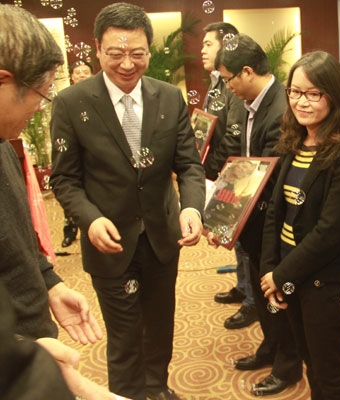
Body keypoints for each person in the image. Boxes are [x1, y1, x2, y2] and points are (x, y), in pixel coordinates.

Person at [50, 3, 206, 400]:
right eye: (115, 53)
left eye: (137, 53)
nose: (126, 64)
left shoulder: (170, 98)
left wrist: (190, 206)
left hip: (161, 238)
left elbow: (189, 165)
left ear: (149, 52)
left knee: (160, 328)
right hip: (109, 242)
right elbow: (65, 179)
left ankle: (157, 388)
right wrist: (88, 219)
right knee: (123, 340)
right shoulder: (72, 103)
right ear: (97, 50)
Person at [0, 4, 120, 399]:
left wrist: (48, 283)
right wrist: (19, 354)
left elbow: (14, 235)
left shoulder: (4, 145)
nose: (42, 105)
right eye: (41, 93)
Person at [260, 51, 340, 400]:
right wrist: (270, 271)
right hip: (290, 273)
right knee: (307, 359)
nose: (300, 101)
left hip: (323, 278)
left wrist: (281, 275)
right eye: (294, 91)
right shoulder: (294, 140)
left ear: (333, 95)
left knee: (329, 369)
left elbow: (330, 231)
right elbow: (275, 212)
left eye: (312, 93)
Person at [210, 33, 303, 396]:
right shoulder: (242, 102)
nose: (227, 86)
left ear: (247, 72)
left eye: (229, 79)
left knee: (278, 297)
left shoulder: (282, 107)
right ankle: (270, 347)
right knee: (261, 297)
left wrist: (228, 211)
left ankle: (288, 365)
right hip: (250, 218)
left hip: (274, 220)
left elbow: (271, 174)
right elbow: (236, 156)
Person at [200, 22, 258, 330]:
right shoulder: (216, 83)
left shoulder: (233, 86)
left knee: (243, 238)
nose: (203, 50)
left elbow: (233, 139)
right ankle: (242, 286)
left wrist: (212, 173)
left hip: (236, 174)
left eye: (209, 44)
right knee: (236, 241)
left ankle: (252, 301)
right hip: (224, 171)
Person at [60, 60, 94, 248]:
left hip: (92, 159)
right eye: (77, 72)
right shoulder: (64, 100)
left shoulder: (99, 99)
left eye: (85, 72)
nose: (81, 75)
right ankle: (69, 232)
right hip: (73, 157)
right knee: (72, 195)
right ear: (71, 77)